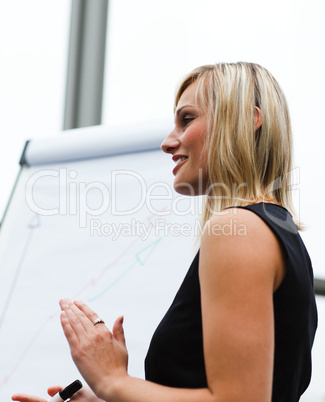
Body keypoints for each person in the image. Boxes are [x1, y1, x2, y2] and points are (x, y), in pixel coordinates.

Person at [12, 62, 317, 402]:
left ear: (248, 118)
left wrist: (114, 382)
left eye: (187, 119)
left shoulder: (238, 229)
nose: (168, 142)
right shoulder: (278, 234)